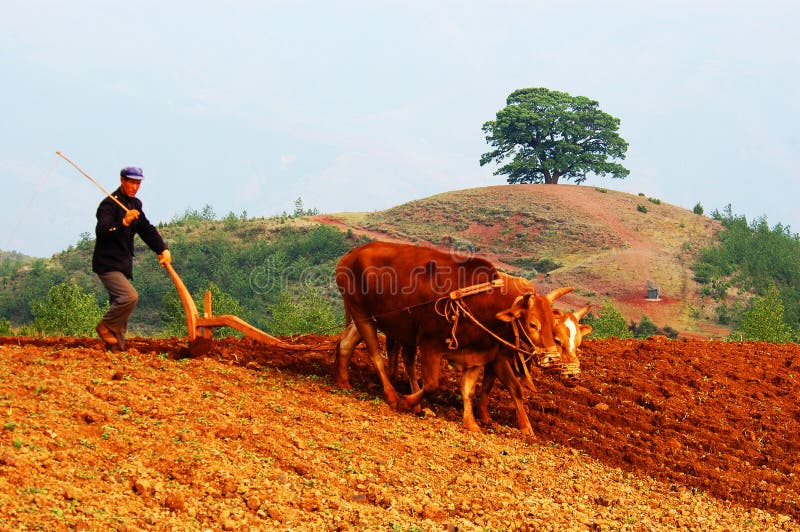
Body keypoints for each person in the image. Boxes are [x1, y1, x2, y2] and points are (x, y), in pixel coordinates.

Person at [92, 166, 172, 351]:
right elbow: (102, 231)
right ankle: (104, 326)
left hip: (123, 264)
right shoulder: (108, 205)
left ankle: (116, 350)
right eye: (131, 182)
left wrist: (162, 249)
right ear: (122, 181)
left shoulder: (136, 204)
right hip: (107, 264)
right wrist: (123, 222)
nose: (135, 187)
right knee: (129, 297)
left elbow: (146, 229)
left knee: (121, 310)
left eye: (138, 183)